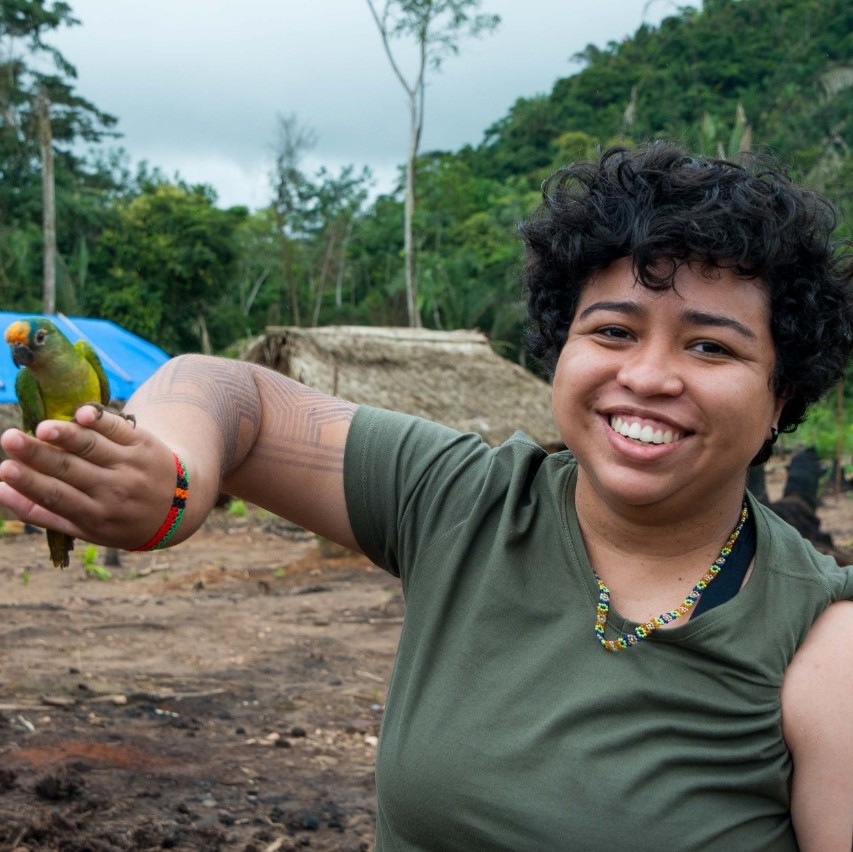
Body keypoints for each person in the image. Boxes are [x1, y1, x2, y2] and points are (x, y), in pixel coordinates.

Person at [1, 142, 852, 850]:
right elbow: (233, 396)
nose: (647, 375)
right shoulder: (460, 500)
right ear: (560, 348)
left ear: (782, 394)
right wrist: (173, 481)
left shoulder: (823, 643)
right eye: (613, 331)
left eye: (709, 347)